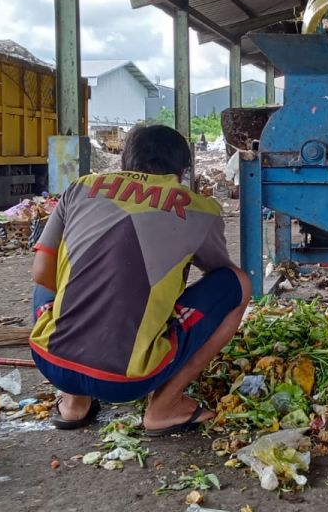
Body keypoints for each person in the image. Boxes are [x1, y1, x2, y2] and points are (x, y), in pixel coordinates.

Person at [29, 124, 250, 433]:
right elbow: (218, 273)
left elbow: (42, 274)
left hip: (51, 362)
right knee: (237, 283)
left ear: (123, 162)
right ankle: (164, 406)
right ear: (181, 171)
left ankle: (73, 404)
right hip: (128, 380)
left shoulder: (79, 188)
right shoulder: (199, 208)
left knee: (48, 278)